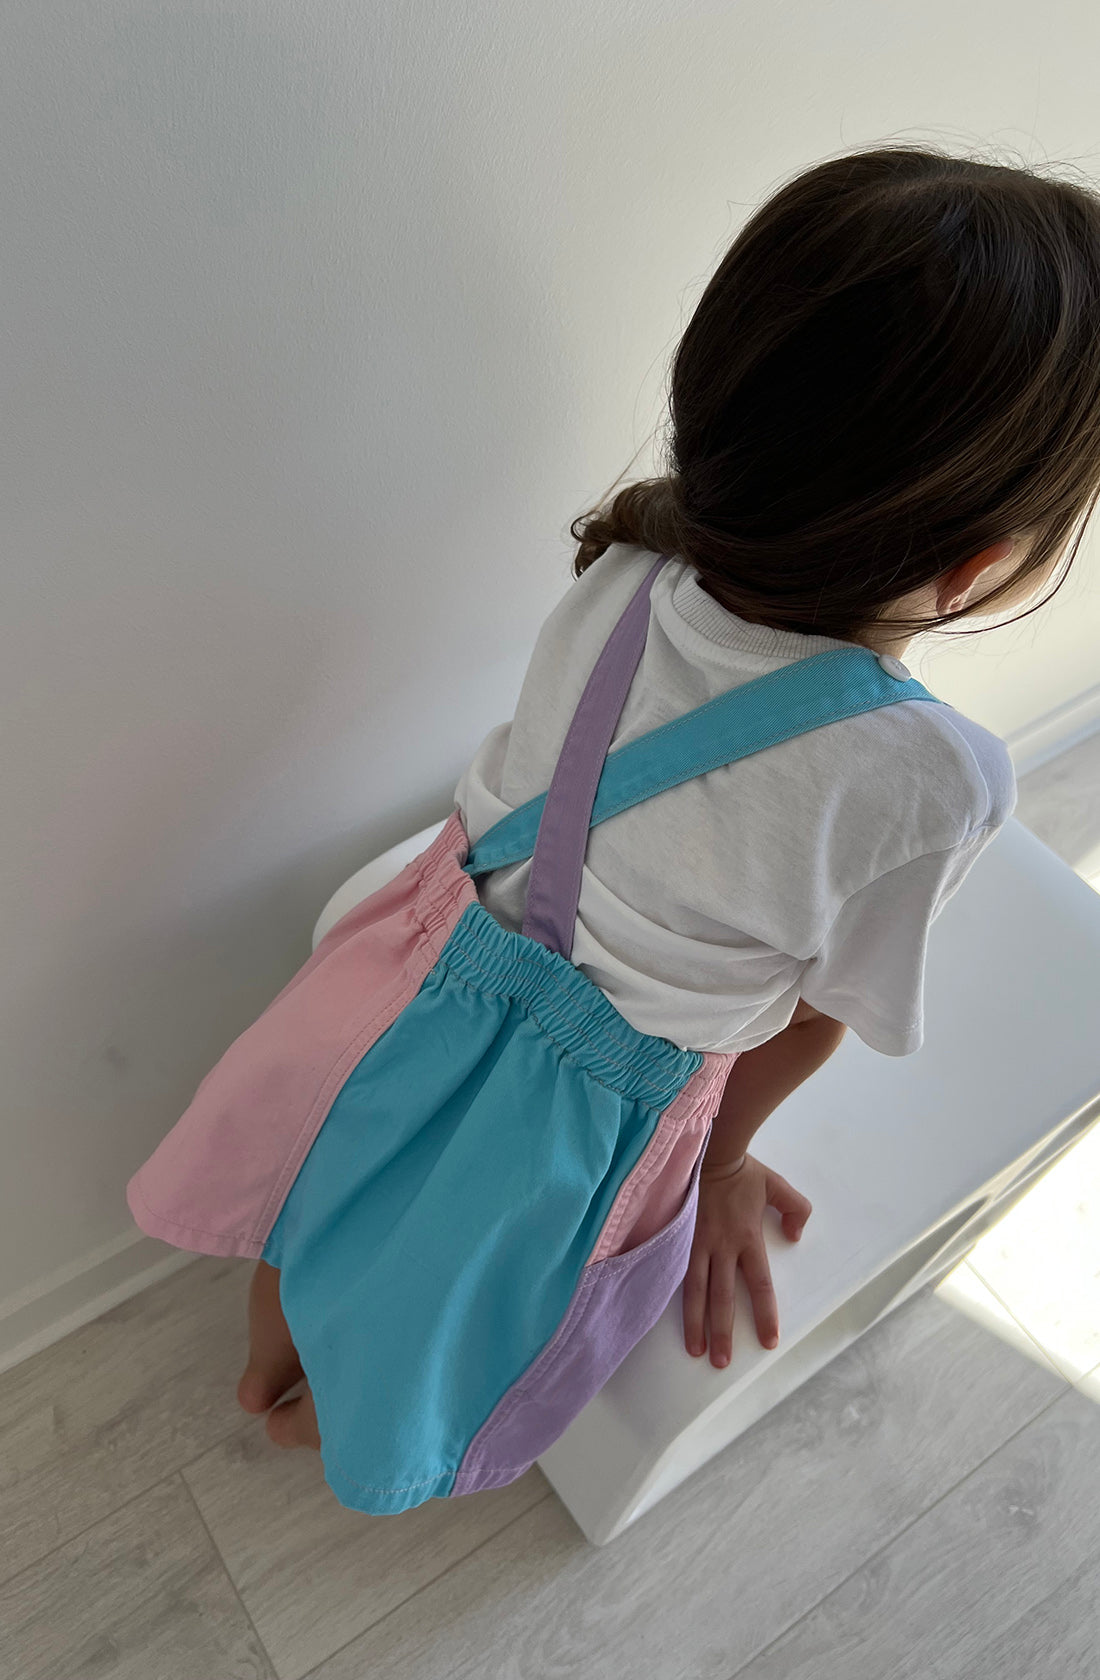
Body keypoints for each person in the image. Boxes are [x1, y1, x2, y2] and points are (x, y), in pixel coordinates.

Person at [238, 142, 1100, 1453]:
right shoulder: (936, 777)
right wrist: (722, 1165)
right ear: (978, 568)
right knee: (468, 1298)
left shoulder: (634, 558)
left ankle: (271, 1361)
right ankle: (344, 1425)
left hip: (420, 967)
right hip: (589, 1098)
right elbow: (814, 1021)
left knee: (342, 1182)